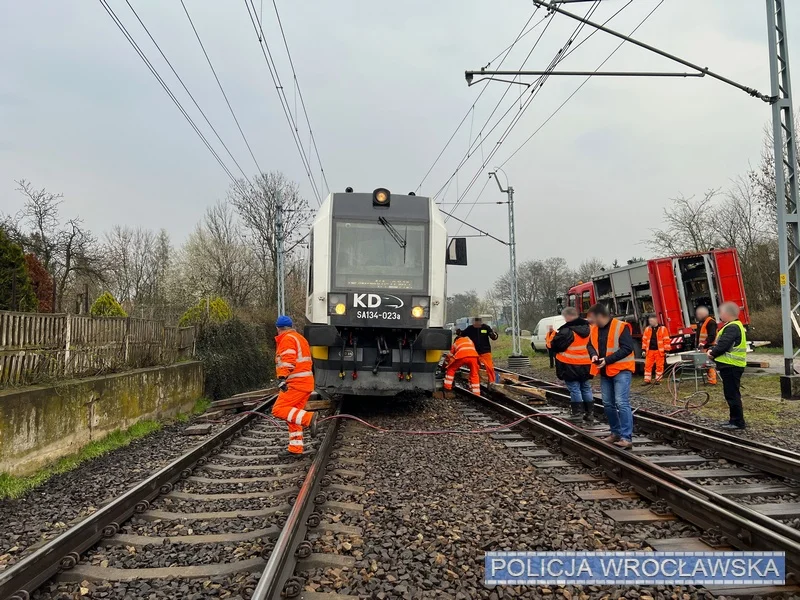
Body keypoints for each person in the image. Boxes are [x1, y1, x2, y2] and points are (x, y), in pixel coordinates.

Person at [586, 303, 635, 449]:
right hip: (605, 371)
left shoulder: (621, 327)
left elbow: (627, 348)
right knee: (608, 403)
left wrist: (607, 360)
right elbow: (590, 345)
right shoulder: (594, 329)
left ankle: (626, 438)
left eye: (593, 319)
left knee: (621, 402)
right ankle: (616, 433)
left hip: (621, 370)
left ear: (601, 316)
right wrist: (594, 355)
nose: (592, 322)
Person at [272, 316, 318, 455]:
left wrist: (281, 377)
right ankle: (295, 448)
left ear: (278, 328)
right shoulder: (300, 338)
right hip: (305, 383)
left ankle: (309, 418)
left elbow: (287, 360)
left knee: (279, 409)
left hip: (296, 383)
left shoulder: (287, 339)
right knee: (292, 415)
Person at [707, 302, 747, 430]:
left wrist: (712, 353)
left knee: (732, 394)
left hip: (731, 366)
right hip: (731, 366)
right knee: (731, 393)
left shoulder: (732, 327)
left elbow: (724, 345)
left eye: (721, 312)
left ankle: (737, 422)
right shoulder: (733, 326)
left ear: (728, 314)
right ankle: (734, 420)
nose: (720, 315)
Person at [550, 307, 594, 422]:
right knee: (586, 387)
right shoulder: (590, 328)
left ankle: (577, 414)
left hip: (570, 365)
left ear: (568, 316)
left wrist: (552, 334)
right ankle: (590, 414)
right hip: (587, 365)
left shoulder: (567, 331)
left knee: (575, 389)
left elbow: (554, 345)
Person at [443, 331, 481, 395]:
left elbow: (449, 356)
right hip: (474, 357)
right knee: (474, 373)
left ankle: (447, 387)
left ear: (455, 340)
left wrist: (444, 366)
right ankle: (476, 392)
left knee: (451, 369)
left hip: (461, 356)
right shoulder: (469, 340)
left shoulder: (456, 343)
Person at [462, 317, 499, 383]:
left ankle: (492, 383)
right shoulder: (470, 329)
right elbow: (462, 334)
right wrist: (458, 333)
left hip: (485, 351)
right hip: (474, 353)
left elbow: (493, 336)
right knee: (474, 368)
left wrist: (494, 335)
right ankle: (474, 382)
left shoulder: (486, 328)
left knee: (490, 368)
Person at [641, 314, 670, 384]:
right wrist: (643, 350)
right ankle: (647, 380)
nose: (650, 322)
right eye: (649, 321)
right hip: (649, 351)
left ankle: (658, 380)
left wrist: (666, 350)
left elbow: (666, 340)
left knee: (659, 366)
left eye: (651, 321)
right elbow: (644, 340)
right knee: (647, 366)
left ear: (656, 320)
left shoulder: (663, 329)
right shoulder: (647, 329)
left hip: (659, 351)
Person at [695, 306, 718, 385]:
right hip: (703, 346)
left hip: (709, 346)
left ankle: (712, 381)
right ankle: (710, 379)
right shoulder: (701, 323)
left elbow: (712, 335)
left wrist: (705, 342)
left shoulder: (711, 322)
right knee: (705, 364)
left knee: (709, 364)